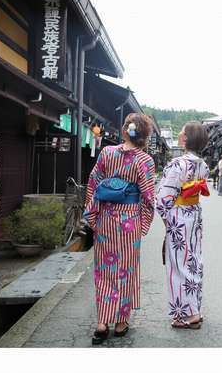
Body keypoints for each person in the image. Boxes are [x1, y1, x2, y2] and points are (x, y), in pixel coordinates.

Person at [83, 113, 155, 345]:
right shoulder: (145, 160)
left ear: (125, 130)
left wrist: (93, 215)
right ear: (145, 136)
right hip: (129, 220)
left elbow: (94, 183)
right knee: (126, 269)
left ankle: (102, 322)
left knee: (104, 269)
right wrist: (143, 223)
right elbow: (148, 196)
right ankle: (121, 321)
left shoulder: (107, 153)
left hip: (105, 218)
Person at [156, 121, 209, 329]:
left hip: (178, 217)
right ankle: (195, 308)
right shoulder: (202, 164)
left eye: (182, 132)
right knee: (194, 262)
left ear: (185, 138)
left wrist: (167, 218)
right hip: (194, 215)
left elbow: (162, 198)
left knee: (178, 265)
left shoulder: (178, 164)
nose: (179, 134)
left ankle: (186, 314)